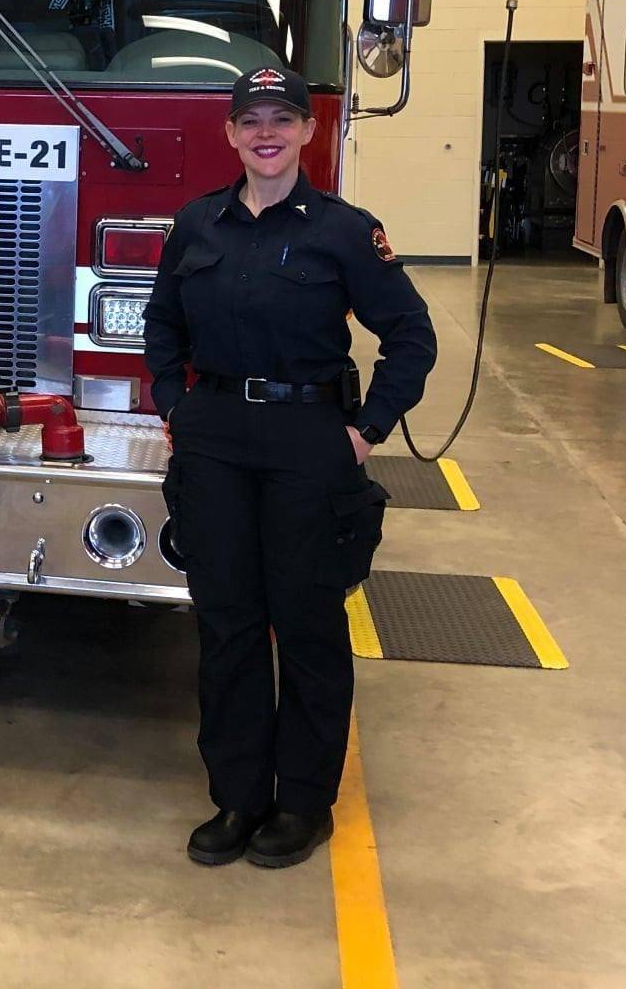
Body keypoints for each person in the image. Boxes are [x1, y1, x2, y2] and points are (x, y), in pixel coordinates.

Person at [144, 65, 435, 869]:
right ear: (231, 135)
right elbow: (161, 327)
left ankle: (304, 803)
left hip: (311, 439)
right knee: (228, 621)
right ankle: (238, 796)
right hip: (215, 444)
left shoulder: (344, 230)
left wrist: (367, 428)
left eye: (283, 118)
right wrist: (176, 407)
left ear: (310, 131)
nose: (266, 133)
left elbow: (411, 335)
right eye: (251, 120)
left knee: (307, 624)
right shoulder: (195, 226)